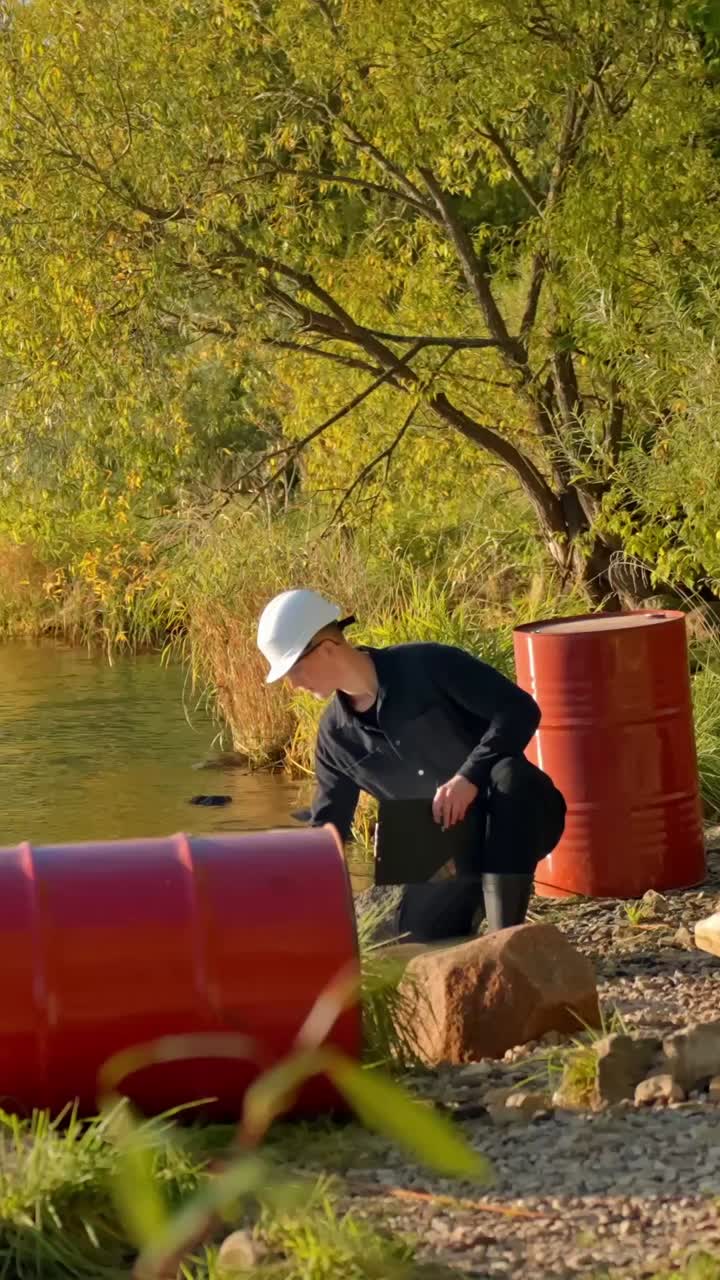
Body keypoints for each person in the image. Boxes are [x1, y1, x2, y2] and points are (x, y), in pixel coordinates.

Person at [257, 588, 566, 941]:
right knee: (419, 940)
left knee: (510, 775)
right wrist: (285, 898)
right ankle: (471, 915)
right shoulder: (334, 738)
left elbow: (519, 710)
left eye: (293, 668)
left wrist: (469, 775)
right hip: (432, 850)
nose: (293, 683)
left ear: (327, 648)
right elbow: (328, 830)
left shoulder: (430, 664)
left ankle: (506, 939)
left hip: (513, 816)